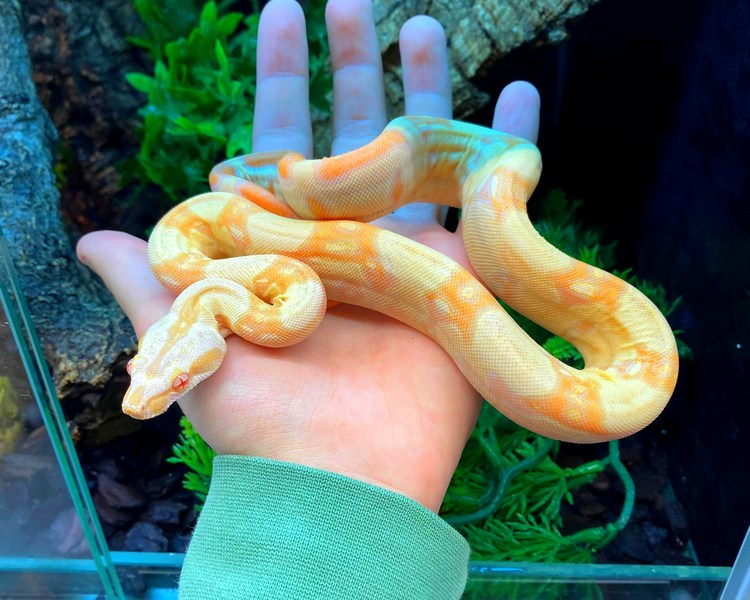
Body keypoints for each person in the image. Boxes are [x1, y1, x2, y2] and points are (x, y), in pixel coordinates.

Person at [77, 0, 541, 597]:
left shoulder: (199, 274)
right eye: (159, 378)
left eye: (164, 380)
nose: (150, 396)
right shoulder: (223, 290)